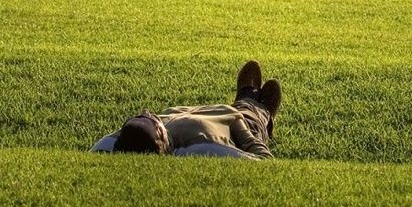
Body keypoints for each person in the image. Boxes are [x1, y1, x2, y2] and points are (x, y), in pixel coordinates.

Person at [90, 60, 281, 159]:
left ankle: (246, 99)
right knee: (251, 118)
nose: (150, 115)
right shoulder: (205, 147)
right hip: (236, 121)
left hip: (201, 113)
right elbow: (263, 160)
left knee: (239, 109)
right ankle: (261, 111)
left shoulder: (112, 142)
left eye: (147, 116)